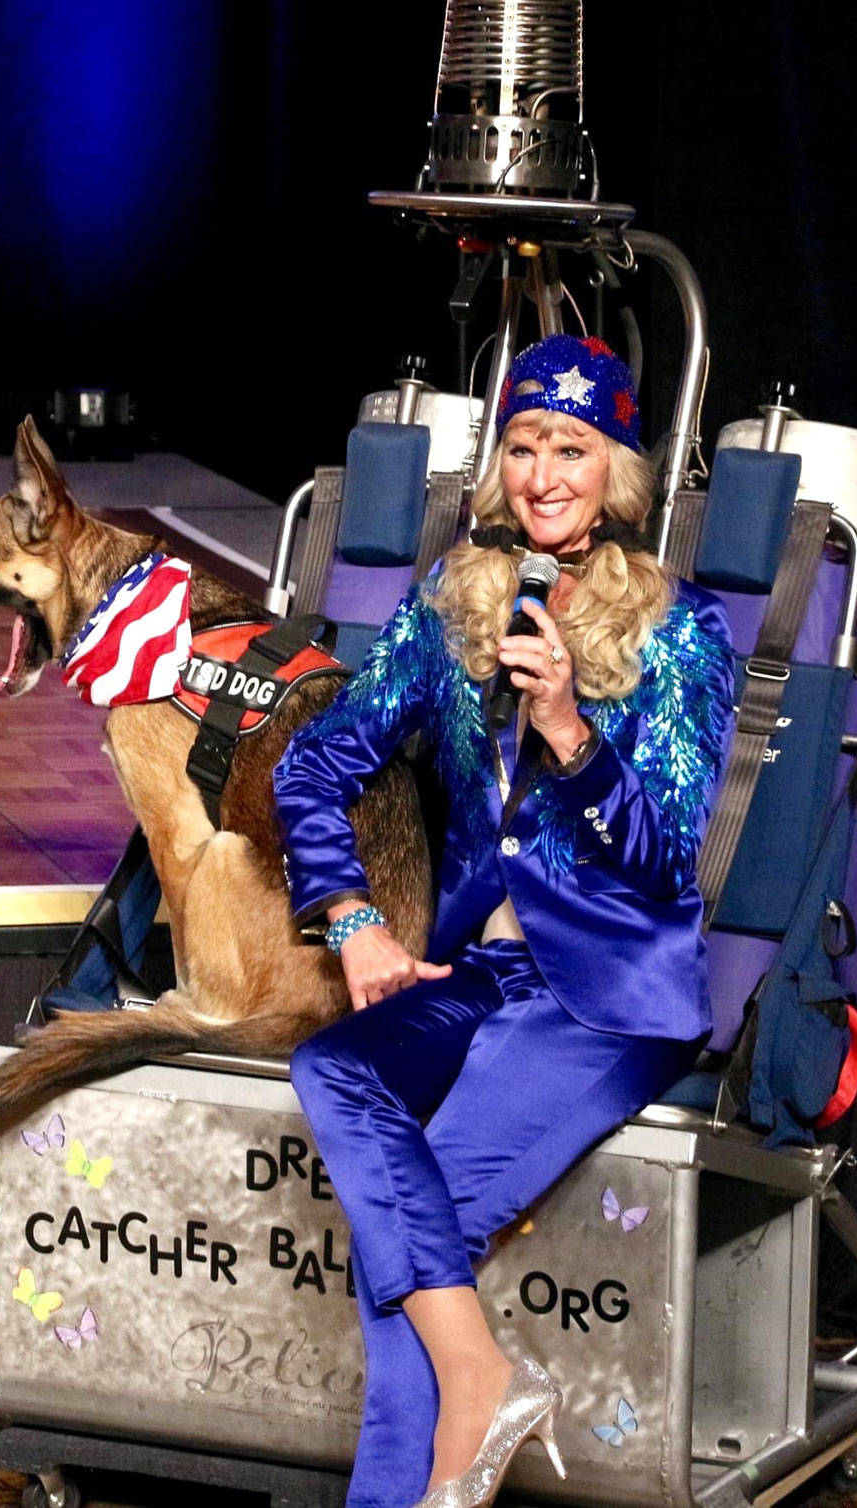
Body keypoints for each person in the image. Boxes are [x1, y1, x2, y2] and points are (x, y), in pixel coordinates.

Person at [273, 333, 734, 1508]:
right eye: (522, 445)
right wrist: (353, 923)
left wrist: (571, 728)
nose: (541, 475)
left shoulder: (680, 631)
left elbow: (662, 850)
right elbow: (315, 764)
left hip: (607, 996)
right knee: (333, 1068)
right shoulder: (456, 602)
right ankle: (481, 1377)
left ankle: (415, 1472)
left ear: (615, 471)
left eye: (569, 449)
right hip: (475, 968)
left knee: (407, 1252)